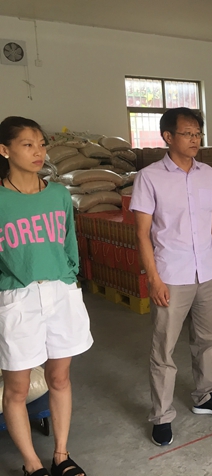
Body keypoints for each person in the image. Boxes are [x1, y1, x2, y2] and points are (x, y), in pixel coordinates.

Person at [131, 107, 212, 447]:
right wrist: (154, 279)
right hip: (172, 275)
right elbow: (142, 233)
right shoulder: (149, 177)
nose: (195, 140)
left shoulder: (208, 174)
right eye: (188, 133)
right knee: (164, 348)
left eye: (198, 134)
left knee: (207, 338)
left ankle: (206, 395)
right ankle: (161, 416)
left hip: (206, 269)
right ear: (168, 137)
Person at [0, 116, 93, 476]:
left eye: (41, 144)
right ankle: (32, 463)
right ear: (4, 150)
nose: (38, 152)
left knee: (59, 378)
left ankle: (61, 456)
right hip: (18, 297)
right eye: (27, 144)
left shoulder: (58, 195)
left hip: (61, 292)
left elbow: (69, 243)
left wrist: (69, 277)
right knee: (17, 388)